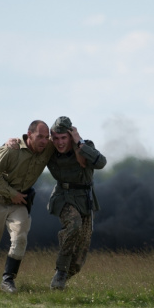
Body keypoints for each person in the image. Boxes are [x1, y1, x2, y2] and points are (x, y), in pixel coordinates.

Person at [0, 120, 54, 293]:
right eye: (39, 136)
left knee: (20, 237)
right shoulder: (11, 149)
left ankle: (7, 281)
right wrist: (13, 194)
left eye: (46, 137)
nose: (43, 140)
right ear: (29, 134)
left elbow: (65, 141)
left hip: (18, 201)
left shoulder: (49, 147)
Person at [45, 116, 107, 290]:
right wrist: (13, 142)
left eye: (64, 137)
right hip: (63, 196)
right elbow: (31, 144)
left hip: (84, 198)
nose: (60, 142)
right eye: (56, 138)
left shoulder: (84, 147)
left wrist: (79, 143)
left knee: (79, 260)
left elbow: (101, 163)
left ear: (71, 135)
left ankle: (61, 280)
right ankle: (60, 272)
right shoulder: (49, 150)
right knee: (74, 225)